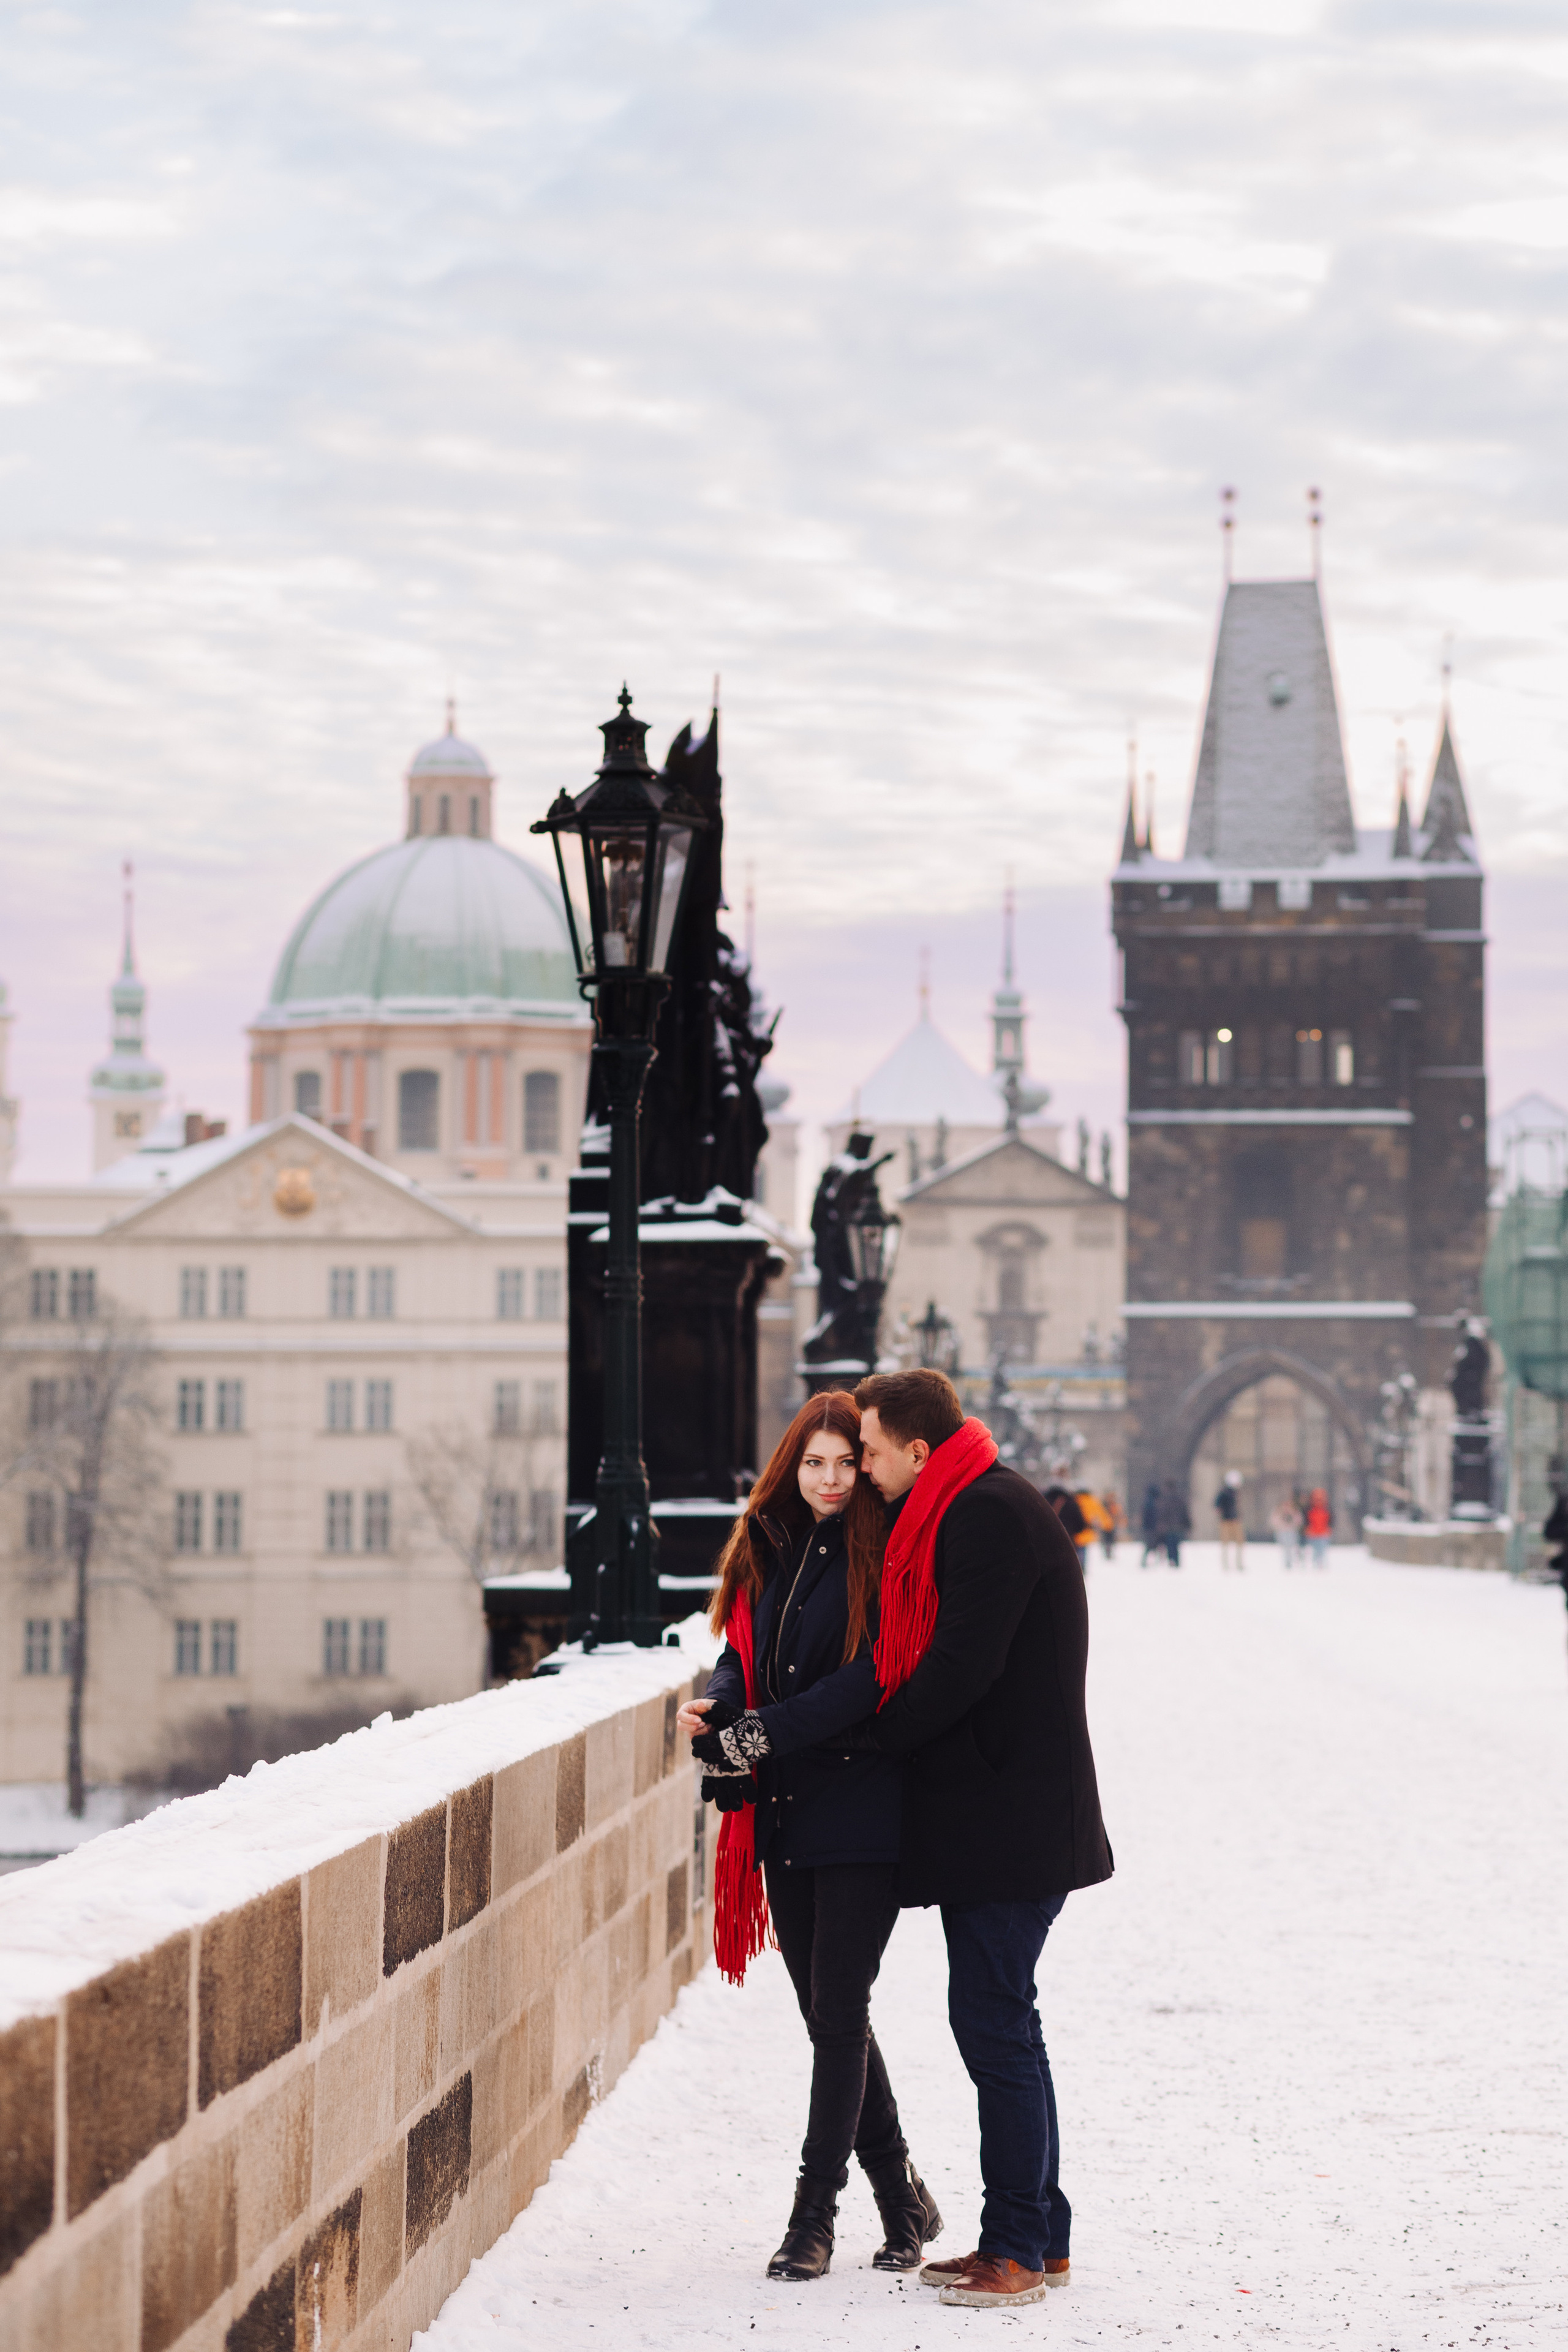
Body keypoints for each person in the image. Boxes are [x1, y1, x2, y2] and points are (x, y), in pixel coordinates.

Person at [851, 1368, 1114, 2309]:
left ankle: (1016, 2248)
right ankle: (1041, 2234)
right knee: (1008, 2023)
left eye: (873, 1449)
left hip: (1014, 1824)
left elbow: (959, 1671)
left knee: (997, 2026)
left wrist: (866, 1738)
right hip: (1005, 1820)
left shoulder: (986, 1515)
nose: (866, 1467)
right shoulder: (975, 1503)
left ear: (919, 1451)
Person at [676, 1393, 940, 2283]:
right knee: (833, 2018)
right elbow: (741, 1654)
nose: (830, 1480)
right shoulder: (770, 1550)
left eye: (843, 1463)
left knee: (837, 2015)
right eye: (814, 1464)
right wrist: (718, 1702)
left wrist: (754, 1736)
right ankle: (902, 2197)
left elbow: (868, 1681)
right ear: (792, 1466)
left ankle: (811, 2218)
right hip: (787, 1810)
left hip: (864, 1808)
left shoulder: (886, 1549)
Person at [1215, 1472, 1245, 1572]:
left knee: (1239, 1543)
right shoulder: (1224, 1493)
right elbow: (1217, 1507)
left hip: (1235, 1520)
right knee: (1225, 1543)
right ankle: (1226, 1564)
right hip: (1227, 1521)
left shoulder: (1235, 1493)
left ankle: (1238, 1563)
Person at [1158, 1480, 1190, 1568]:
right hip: (1178, 1526)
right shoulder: (1180, 1499)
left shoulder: (1165, 1500)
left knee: (1170, 1545)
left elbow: (1162, 1513)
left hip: (1169, 1527)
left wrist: (1161, 1524)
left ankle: (1172, 1560)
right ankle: (1176, 1561)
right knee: (1176, 1545)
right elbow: (1185, 1513)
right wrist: (1188, 1524)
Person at [1270, 1493, 1302, 1569]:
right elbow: (1274, 1521)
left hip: (1292, 1531)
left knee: (1291, 1547)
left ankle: (1291, 1562)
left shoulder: (1295, 1512)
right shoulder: (1278, 1512)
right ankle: (1286, 1563)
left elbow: (1299, 1521)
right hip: (1282, 1531)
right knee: (1285, 1548)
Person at [1304, 1487, 1332, 1567]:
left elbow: (1330, 1521)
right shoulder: (1309, 1510)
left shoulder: (1327, 1509)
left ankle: (1320, 1564)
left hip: (1323, 1533)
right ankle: (1315, 1564)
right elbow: (1307, 1521)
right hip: (1313, 1534)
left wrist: (1329, 1529)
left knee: (1322, 1550)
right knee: (1315, 1550)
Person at [1140, 1480, 1162, 1566]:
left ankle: (1148, 1562)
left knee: (1150, 1545)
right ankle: (1154, 1562)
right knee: (1152, 1545)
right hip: (1152, 1527)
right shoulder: (1153, 1502)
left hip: (1149, 1527)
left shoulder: (1148, 1501)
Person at [1099, 1490, 1123, 1562]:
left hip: (1112, 1525)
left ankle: (1110, 1553)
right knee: (1107, 1540)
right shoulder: (1104, 1505)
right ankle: (1107, 1554)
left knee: (1111, 1540)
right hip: (1105, 1525)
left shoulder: (1114, 1505)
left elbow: (1117, 1514)